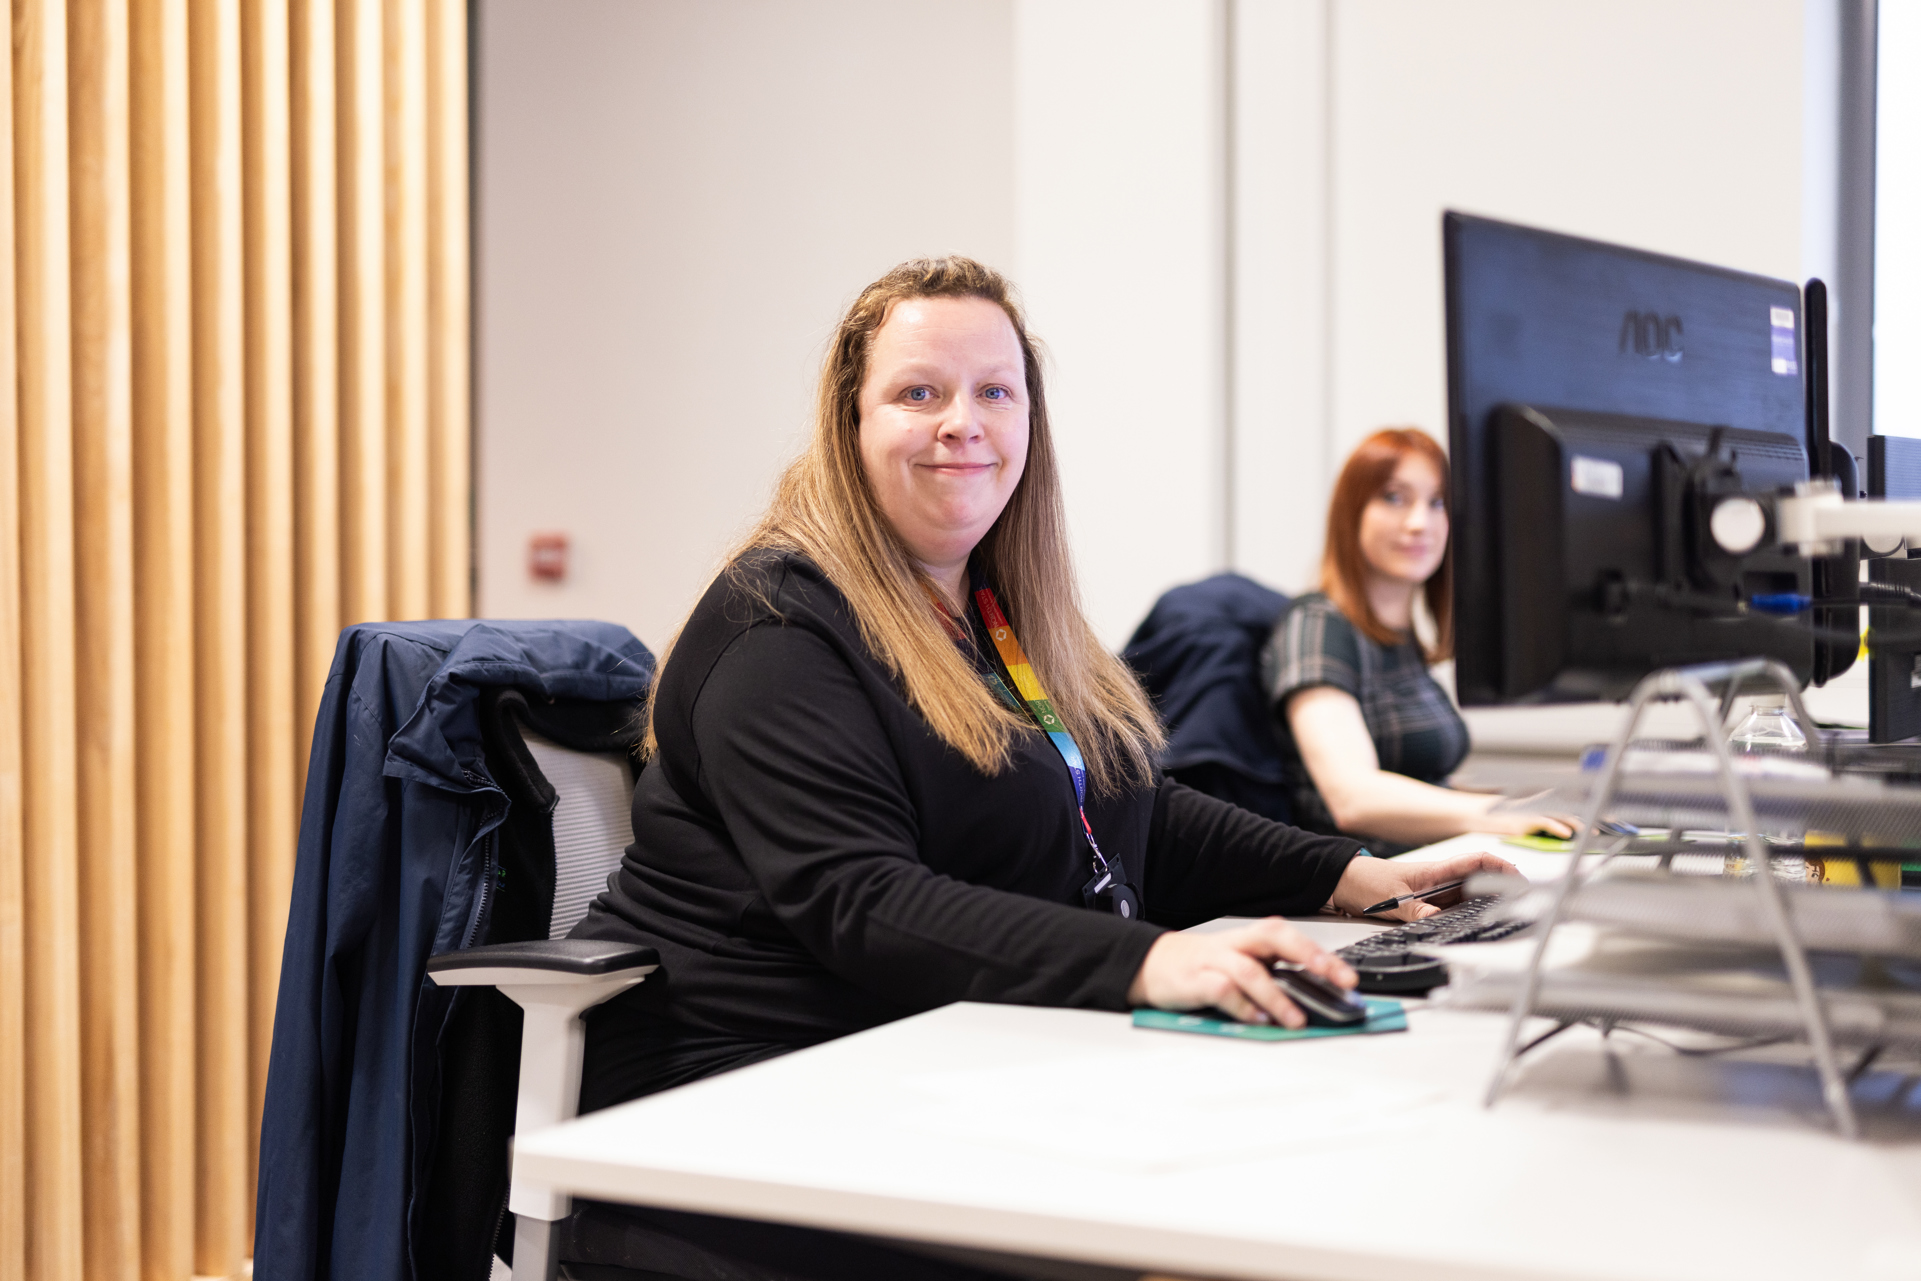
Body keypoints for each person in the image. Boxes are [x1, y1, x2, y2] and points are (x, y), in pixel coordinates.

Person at [567, 260, 1515, 1279]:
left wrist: (1352, 874)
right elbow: (859, 898)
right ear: (849, 423)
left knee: (1322, 1171)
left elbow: (1131, 810)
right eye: (918, 392)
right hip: (741, 1088)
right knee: (1198, 1239)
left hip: (935, 1053)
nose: (961, 423)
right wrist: (1149, 962)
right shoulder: (779, 625)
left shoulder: (990, 610)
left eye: (994, 391)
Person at [1268, 428, 1574, 850]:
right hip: (1366, 877)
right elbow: (1351, 797)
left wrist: (1543, 801)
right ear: (1351, 513)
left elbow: (1426, 784)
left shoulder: (1402, 640)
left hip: (1427, 861)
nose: (1419, 523)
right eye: (1394, 498)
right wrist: (1500, 813)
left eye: (1437, 503)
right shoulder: (1317, 625)